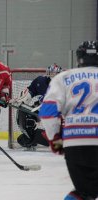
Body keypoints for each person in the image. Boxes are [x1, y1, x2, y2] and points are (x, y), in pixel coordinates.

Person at [39, 40, 98, 200]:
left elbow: (48, 113)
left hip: (75, 141)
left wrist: (55, 140)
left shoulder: (64, 77)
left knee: (84, 193)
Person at [11, 64, 62, 150]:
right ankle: (31, 139)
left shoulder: (64, 85)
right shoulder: (40, 81)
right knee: (26, 115)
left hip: (57, 114)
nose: (53, 75)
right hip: (41, 109)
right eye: (52, 73)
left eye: (55, 73)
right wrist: (22, 99)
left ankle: (53, 139)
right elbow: (30, 91)